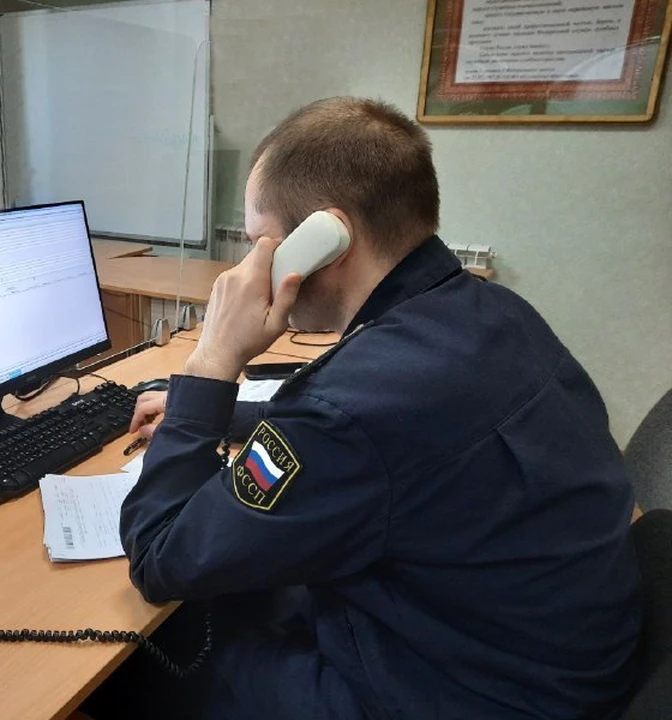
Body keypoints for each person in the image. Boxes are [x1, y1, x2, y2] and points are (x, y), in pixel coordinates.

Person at [106, 98, 642, 719]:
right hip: (550, 662)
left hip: (454, 696)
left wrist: (210, 363)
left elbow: (160, 556)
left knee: (146, 654)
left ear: (325, 241)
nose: (250, 269)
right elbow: (393, 440)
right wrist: (217, 414)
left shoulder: (351, 413)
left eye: (260, 245)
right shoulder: (492, 314)